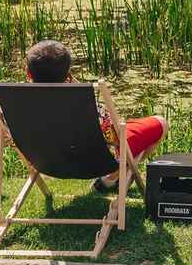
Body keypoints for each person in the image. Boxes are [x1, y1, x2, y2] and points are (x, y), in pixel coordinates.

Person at [24, 40, 166, 192]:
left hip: (48, 165)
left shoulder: (15, 103)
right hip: (91, 166)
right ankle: (112, 177)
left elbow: (6, 137)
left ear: (28, 73)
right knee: (161, 123)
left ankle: (111, 179)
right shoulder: (86, 106)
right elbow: (115, 139)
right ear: (67, 74)